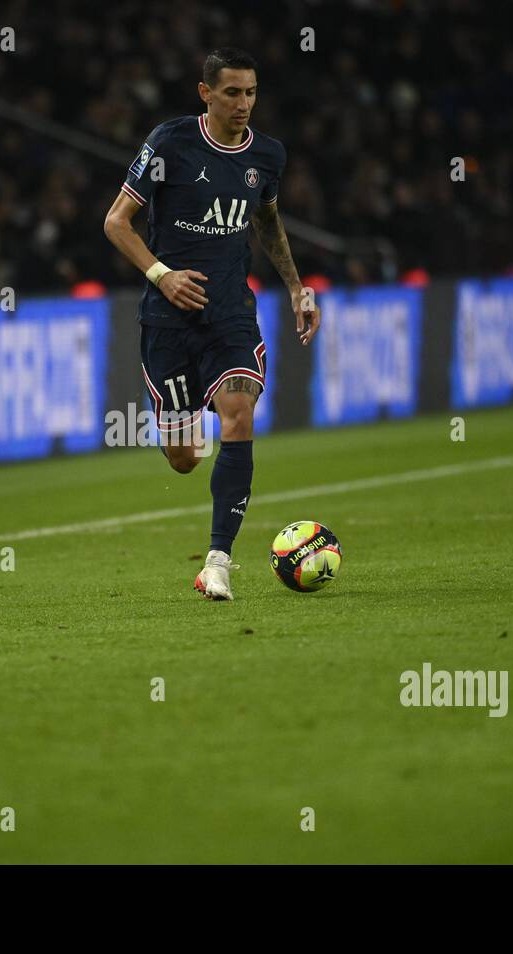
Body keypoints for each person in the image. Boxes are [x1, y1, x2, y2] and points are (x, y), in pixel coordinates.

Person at [103, 47, 321, 601]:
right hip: (168, 320)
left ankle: (217, 562)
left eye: (250, 92)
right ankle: (182, 436)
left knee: (238, 412)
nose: (243, 103)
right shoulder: (171, 143)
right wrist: (161, 274)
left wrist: (296, 288)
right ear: (206, 93)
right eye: (231, 93)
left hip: (230, 316)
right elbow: (116, 222)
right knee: (184, 460)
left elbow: (266, 222)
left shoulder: (267, 156)